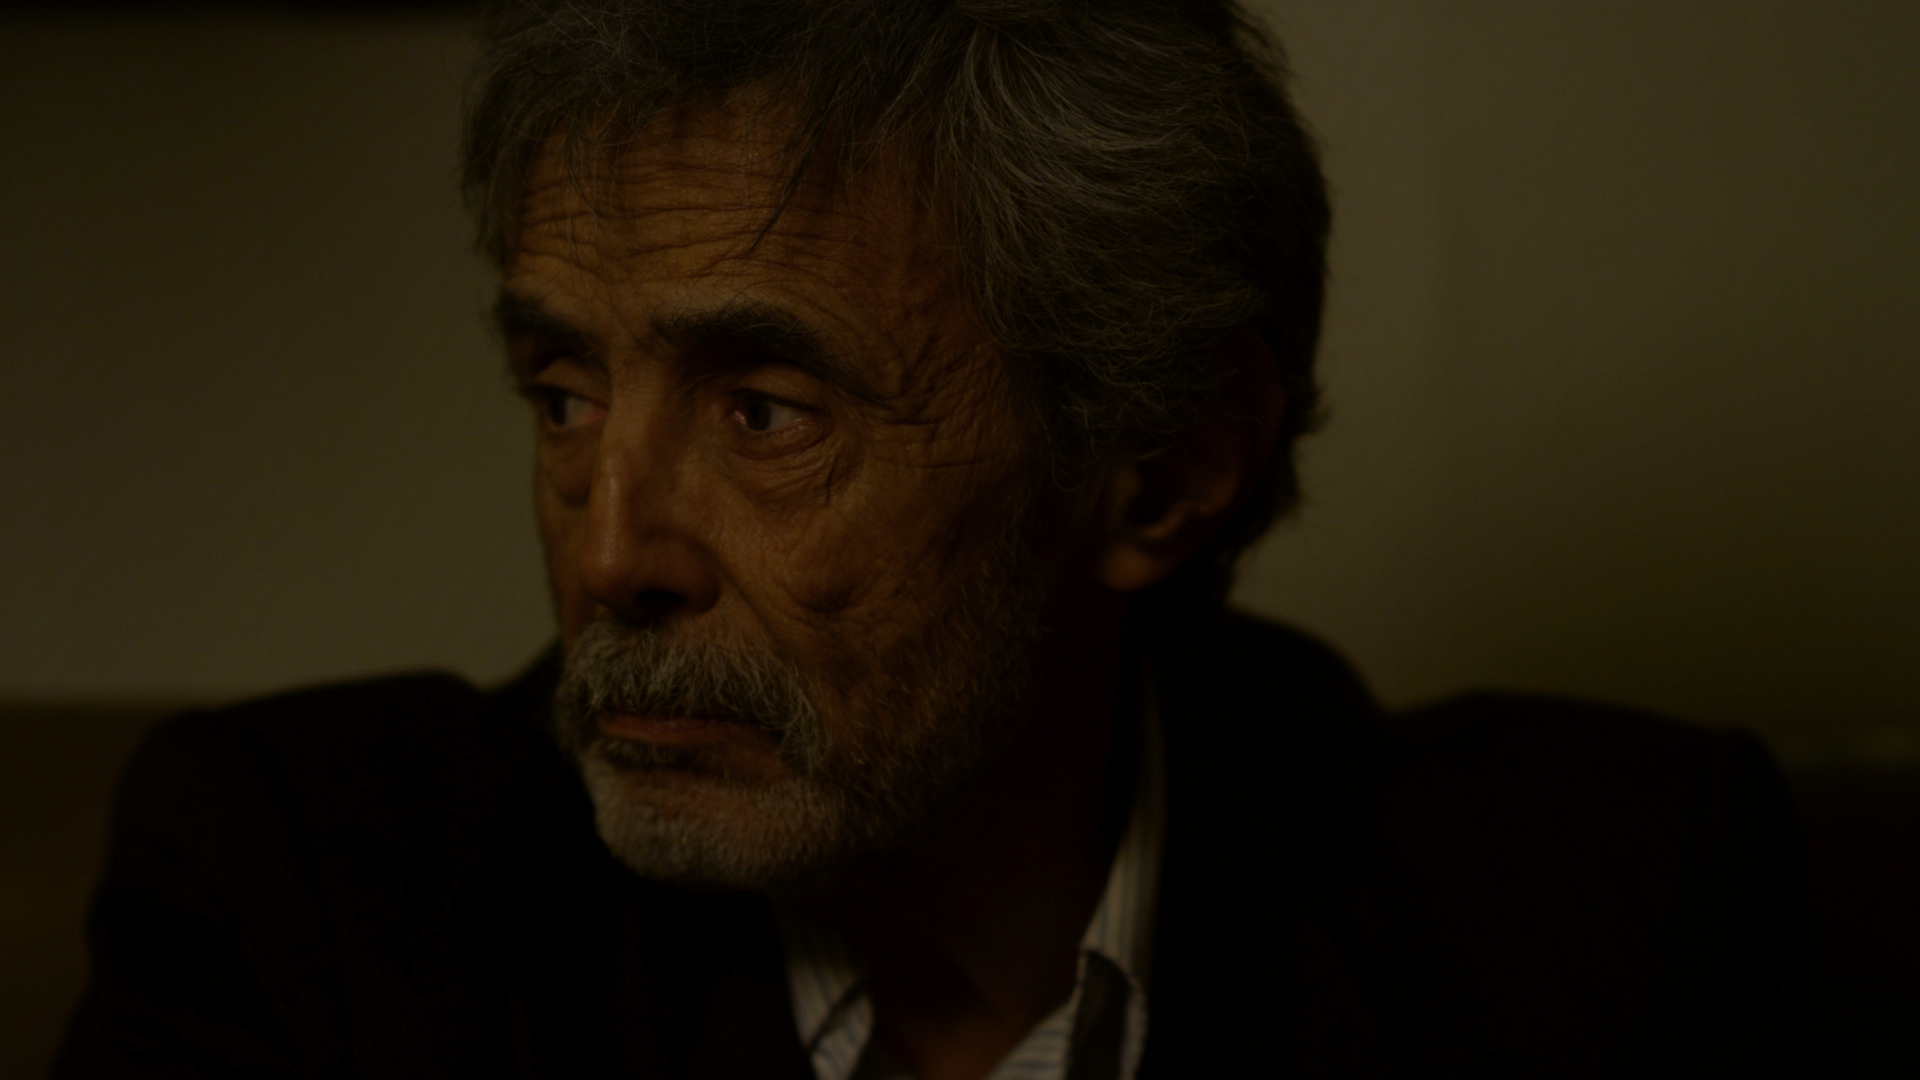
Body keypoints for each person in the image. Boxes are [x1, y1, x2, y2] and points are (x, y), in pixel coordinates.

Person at [57, 1, 1809, 1076]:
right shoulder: (309, 906)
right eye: (566, 393)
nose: (607, 555)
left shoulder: (1604, 925)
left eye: (766, 412)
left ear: (1163, 469)